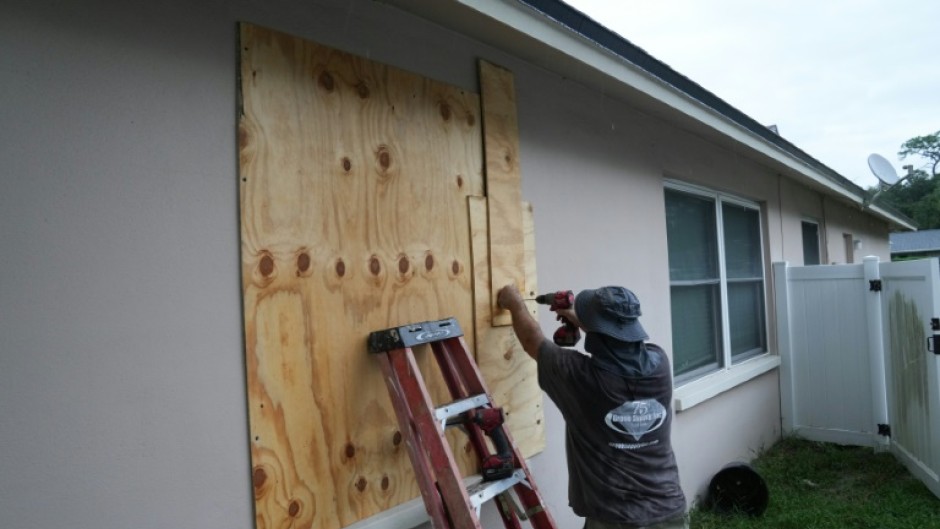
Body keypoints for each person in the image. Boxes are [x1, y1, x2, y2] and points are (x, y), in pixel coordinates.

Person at [497, 284, 688, 529]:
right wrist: (587, 321)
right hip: (670, 510)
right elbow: (619, 345)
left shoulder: (580, 377)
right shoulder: (659, 363)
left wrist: (514, 302)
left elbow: (532, 340)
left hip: (616, 518)